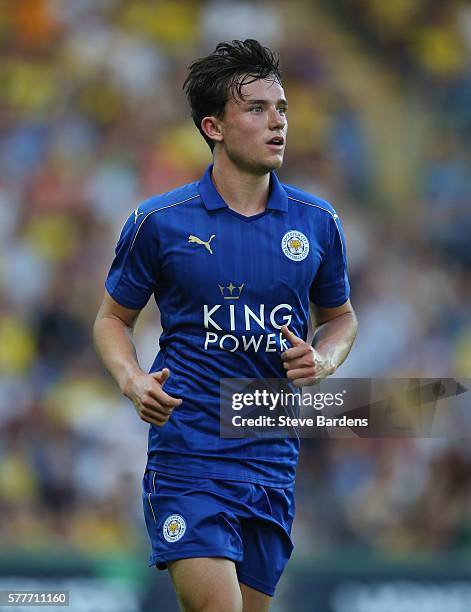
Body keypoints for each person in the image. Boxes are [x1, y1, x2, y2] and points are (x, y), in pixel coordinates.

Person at [93, 39, 358, 612]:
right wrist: (131, 378)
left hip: (271, 455)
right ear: (213, 126)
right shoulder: (159, 222)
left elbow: (340, 320)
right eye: (257, 109)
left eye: (282, 108)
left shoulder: (317, 223)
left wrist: (325, 359)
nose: (278, 122)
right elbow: (112, 319)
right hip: (190, 453)